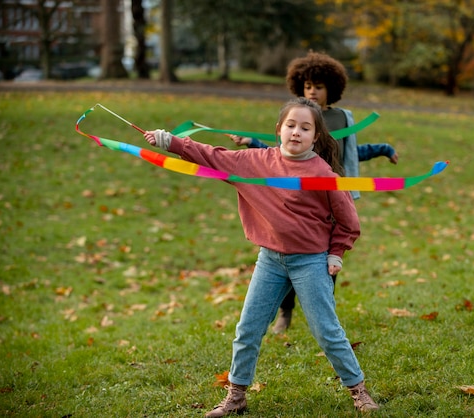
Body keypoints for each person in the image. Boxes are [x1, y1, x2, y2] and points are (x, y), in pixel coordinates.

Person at [144, 98, 379, 416]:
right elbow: (212, 155)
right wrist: (169, 141)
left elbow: (348, 221)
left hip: (310, 261)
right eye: (291, 125)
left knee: (327, 331)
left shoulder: (323, 173)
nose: (296, 132)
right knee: (248, 329)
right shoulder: (253, 162)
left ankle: (358, 390)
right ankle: (237, 395)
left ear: (316, 137)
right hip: (270, 260)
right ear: (279, 130)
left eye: (305, 128)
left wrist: (336, 252)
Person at [230, 51, 398, 333]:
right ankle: (286, 312)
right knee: (288, 254)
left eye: (318, 87)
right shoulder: (298, 120)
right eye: (308, 86)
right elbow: (278, 159)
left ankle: (323, 314)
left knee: (326, 259)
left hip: (332, 199)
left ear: (331, 88)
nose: (312, 92)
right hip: (299, 201)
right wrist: (251, 142)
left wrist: (384, 149)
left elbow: (352, 153)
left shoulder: (341, 119)